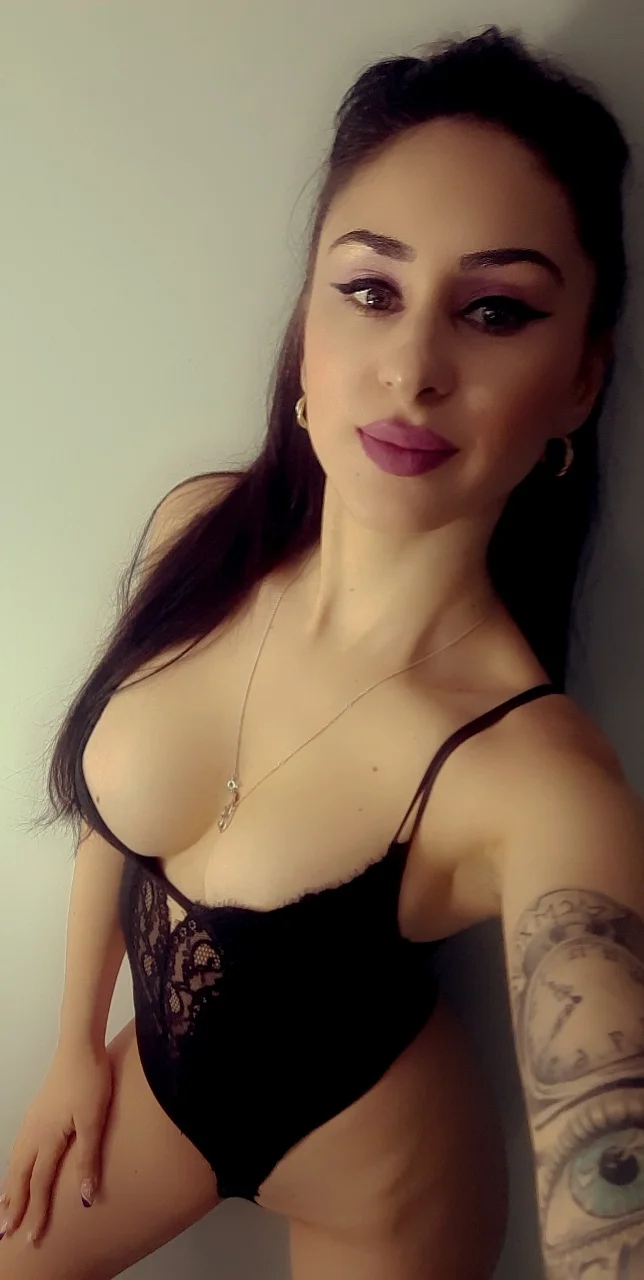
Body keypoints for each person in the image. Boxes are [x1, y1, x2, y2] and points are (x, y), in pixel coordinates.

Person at [0, 23, 640, 1280]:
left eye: (495, 310)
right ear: (307, 322)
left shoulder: (539, 780)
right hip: (152, 1087)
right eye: (369, 290)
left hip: (386, 1177)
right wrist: (74, 1041)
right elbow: (112, 816)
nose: (410, 368)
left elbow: (609, 1186)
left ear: (578, 379)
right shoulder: (199, 533)